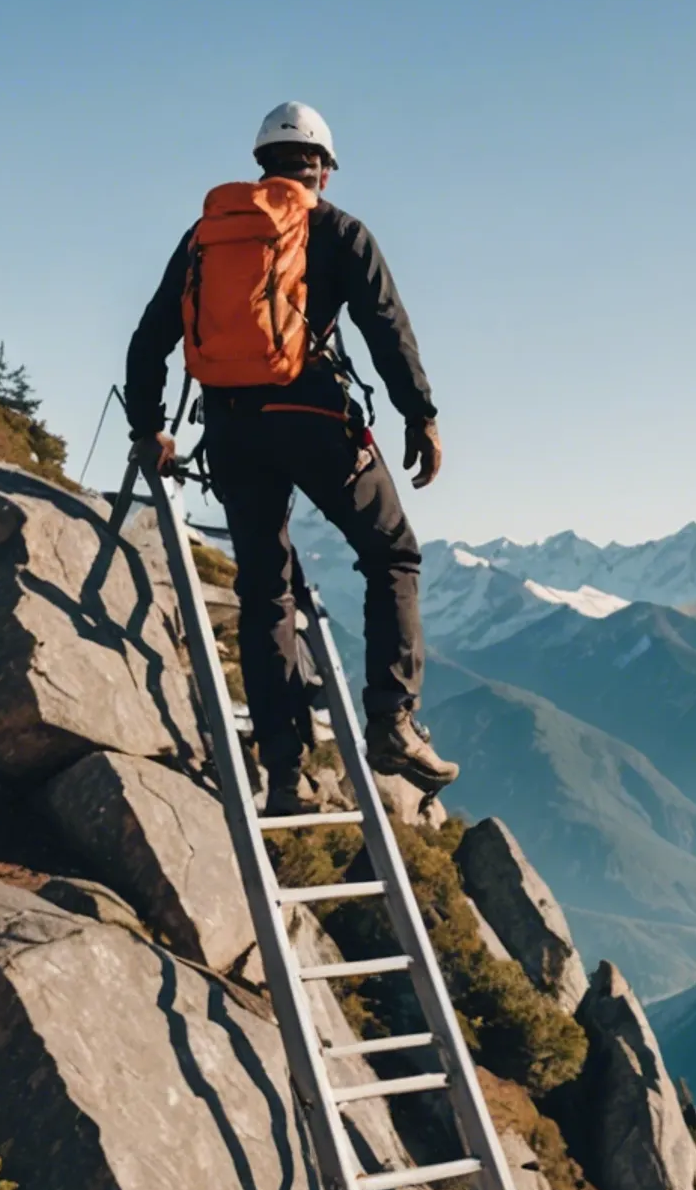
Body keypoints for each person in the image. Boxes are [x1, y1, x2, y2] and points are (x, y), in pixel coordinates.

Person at [123, 101, 460, 810]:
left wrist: (150, 426)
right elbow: (385, 328)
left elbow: (150, 335)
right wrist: (420, 415)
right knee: (392, 554)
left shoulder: (207, 237)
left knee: (264, 591)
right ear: (323, 170)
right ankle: (393, 719)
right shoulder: (337, 230)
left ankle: (283, 774)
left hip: (232, 426)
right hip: (310, 416)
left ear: (262, 164)